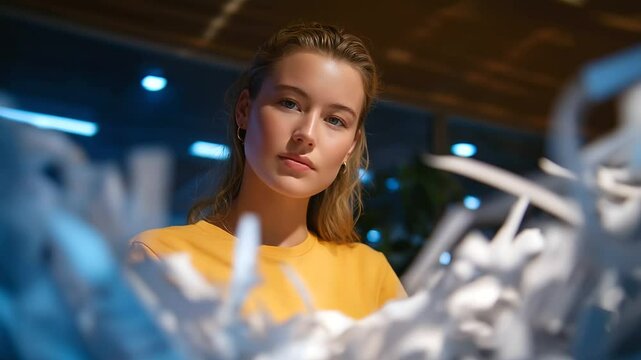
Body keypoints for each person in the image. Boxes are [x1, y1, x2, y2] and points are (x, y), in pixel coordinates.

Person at [131, 22, 406, 323]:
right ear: (245, 110)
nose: (307, 133)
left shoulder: (370, 276)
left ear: (351, 147)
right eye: (290, 104)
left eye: (335, 120)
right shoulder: (161, 257)